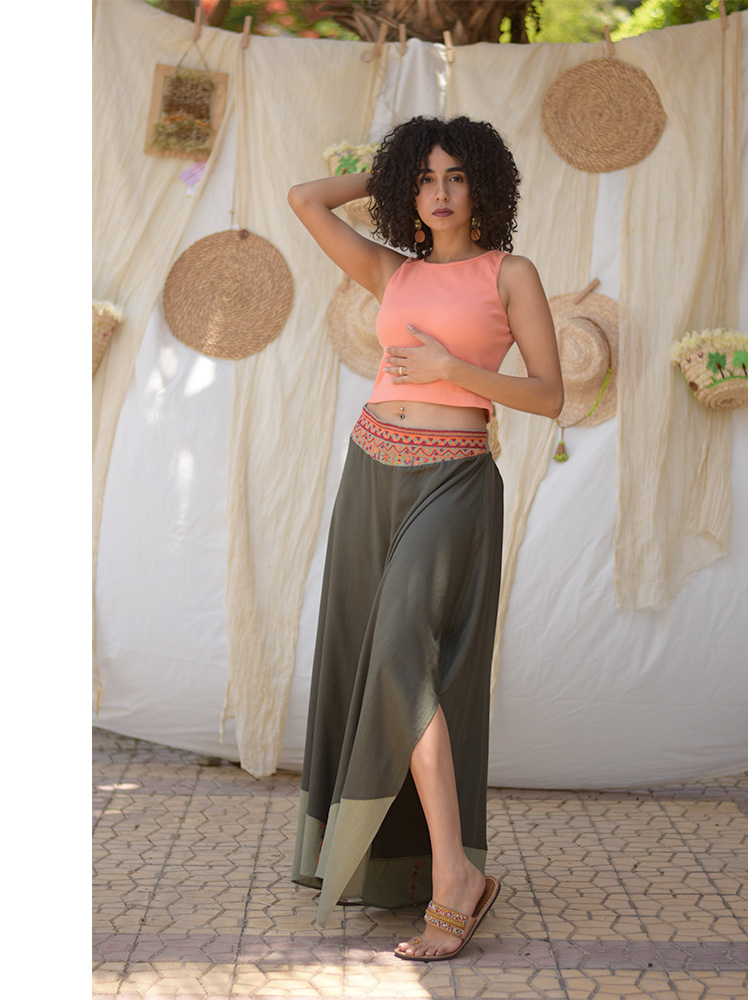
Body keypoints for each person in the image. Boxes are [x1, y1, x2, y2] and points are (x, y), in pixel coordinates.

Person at [287, 116, 562, 962]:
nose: (441, 193)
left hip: (453, 479)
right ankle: (438, 869)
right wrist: (392, 169)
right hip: (371, 471)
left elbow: (550, 394)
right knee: (372, 657)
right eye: (426, 177)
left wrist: (454, 371)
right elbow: (305, 198)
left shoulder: (510, 273)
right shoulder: (392, 270)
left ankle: (454, 879)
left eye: (456, 176)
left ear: (484, 186)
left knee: (403, 656)